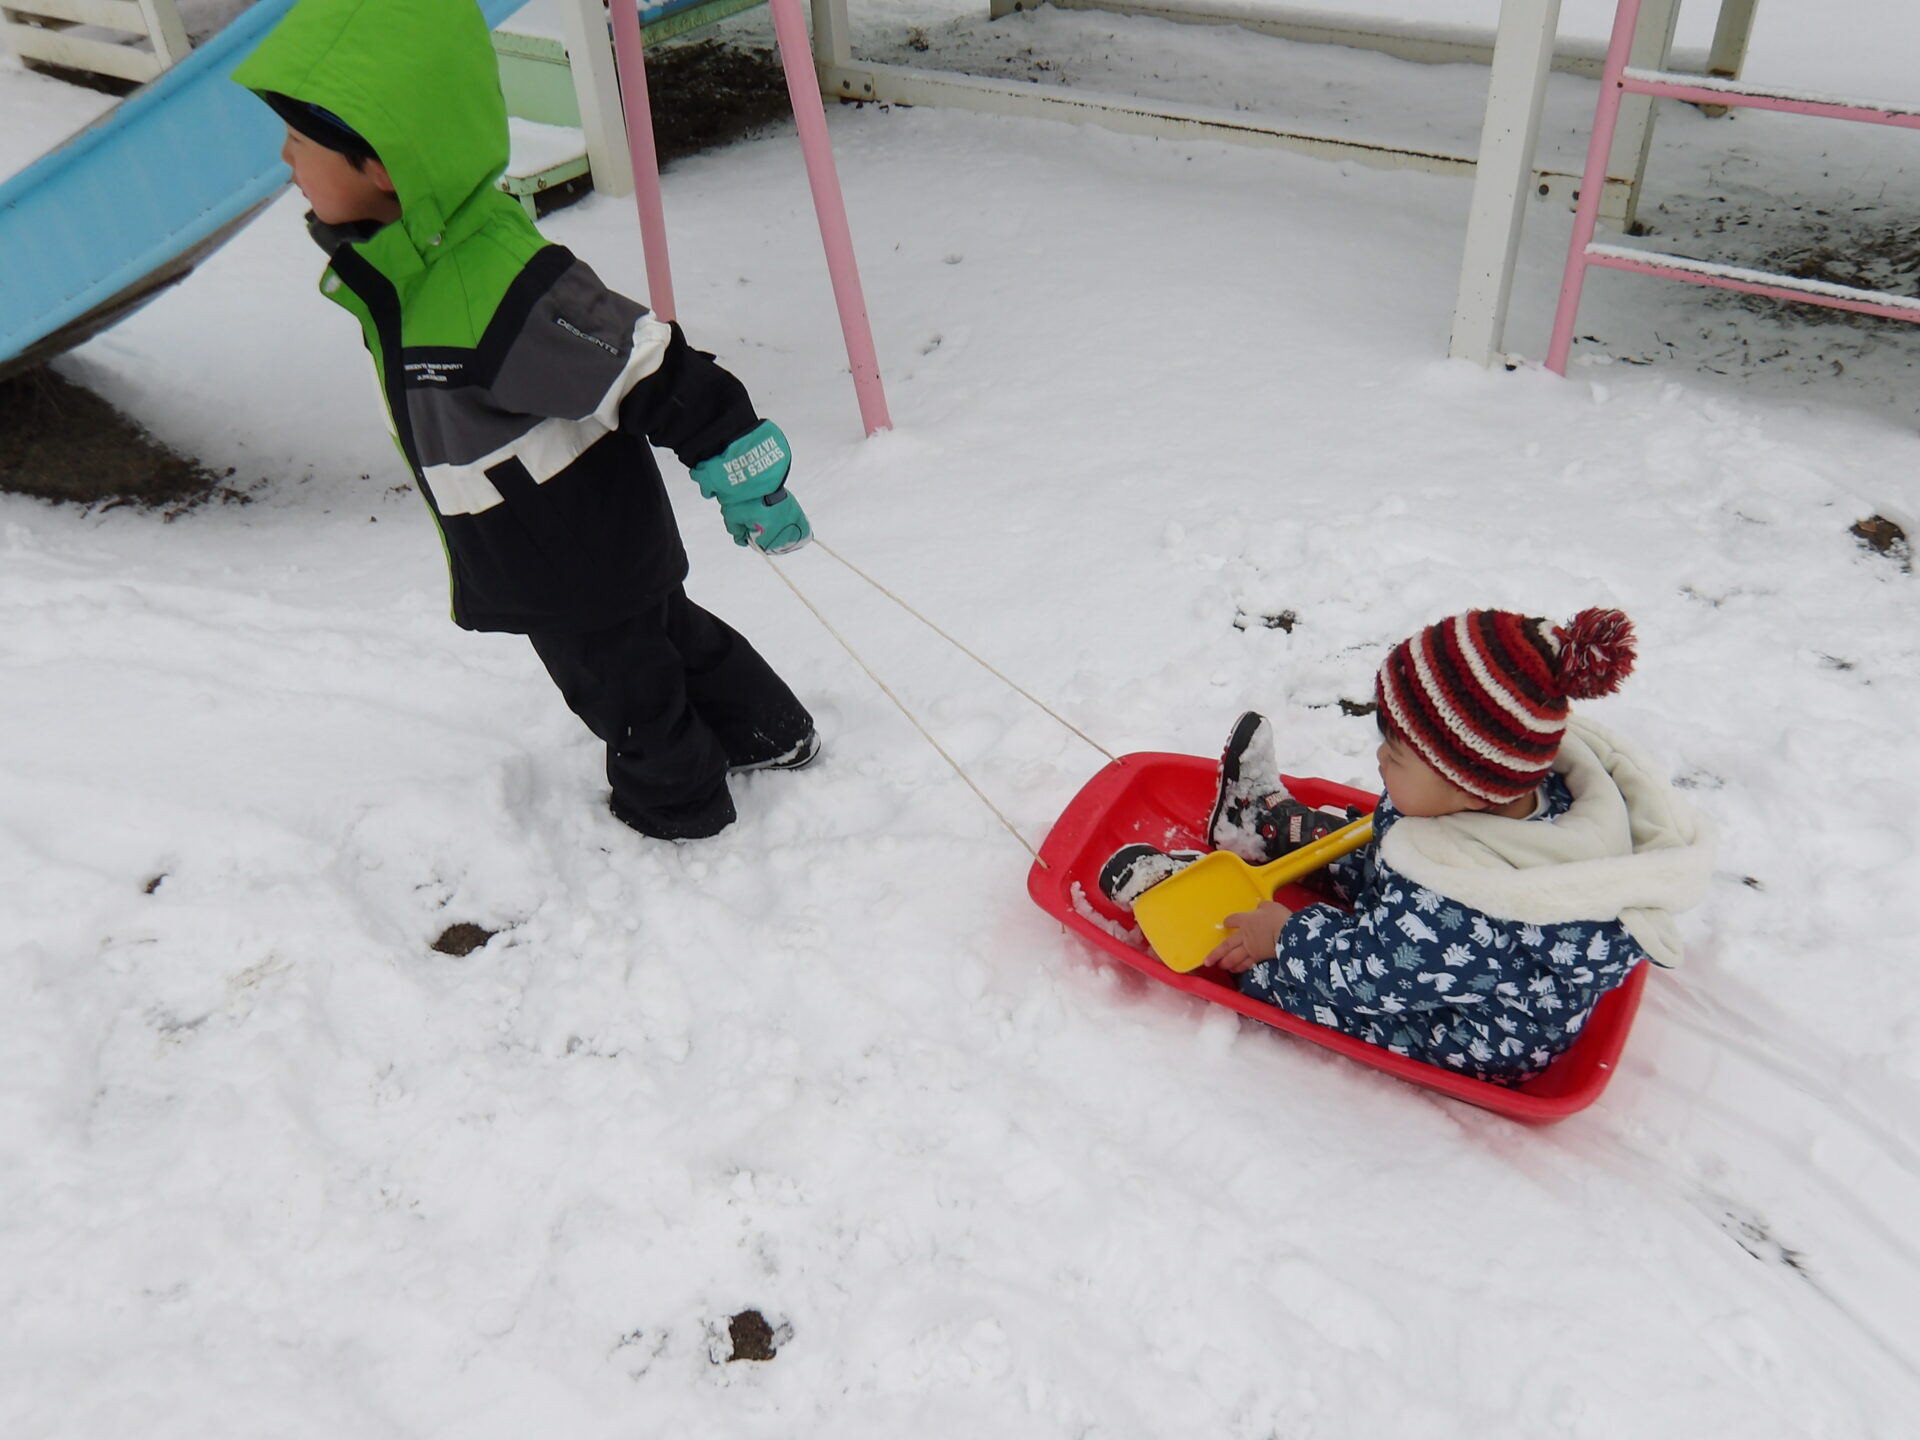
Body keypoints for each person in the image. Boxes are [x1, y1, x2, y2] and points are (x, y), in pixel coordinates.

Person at [232, 0, 817, 841]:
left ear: (385, 166)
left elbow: (643, 364)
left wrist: (736, 459)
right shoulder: (421, 262)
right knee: (668, 637)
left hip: (562, 552)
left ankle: (677, 808)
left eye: (299, 139)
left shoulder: (488, 285)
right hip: (580, 531)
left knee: (624, 690)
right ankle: (769, 732)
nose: (284, 157)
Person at [1099, 608, 1713, 1083]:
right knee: (1373, 842)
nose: (1378, 758)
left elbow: (1366, 976)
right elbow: (1399, 843)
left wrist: (1283, 936)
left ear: (1466, 783)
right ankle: (1263, 828)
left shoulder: (1471, 905)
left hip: (1454, 1028)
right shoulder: (1508, 786)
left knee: (1296, 982)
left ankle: (1199, 917)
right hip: (1426, 931)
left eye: (1395, 753)